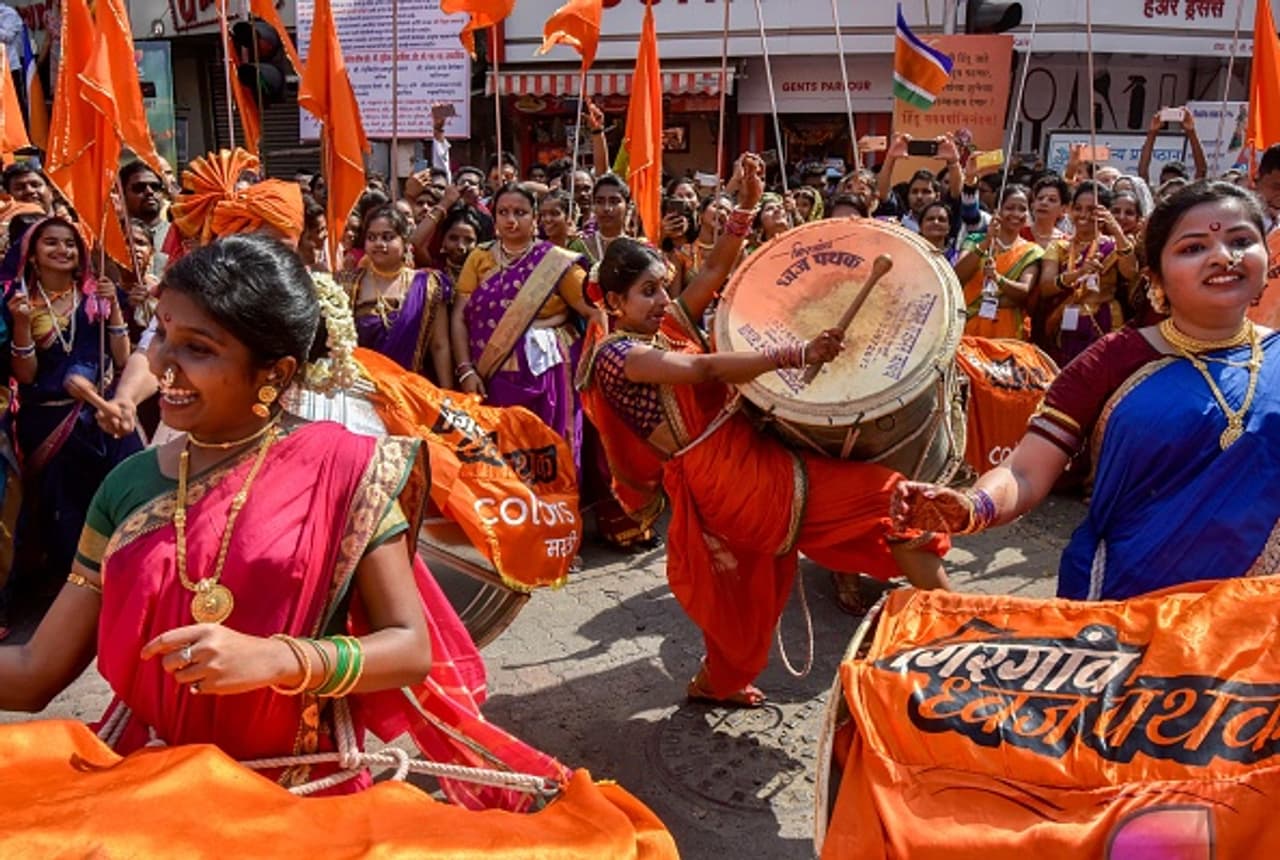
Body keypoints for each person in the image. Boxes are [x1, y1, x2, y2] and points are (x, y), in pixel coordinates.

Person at [0, 234, 574, 812]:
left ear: (274, 371)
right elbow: (34, 672)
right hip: (151, 790)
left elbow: (409, 648)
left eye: (197, 347)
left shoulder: (347, 468)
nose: (163, 365)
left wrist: (278, 659)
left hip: (301, 795)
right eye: (163, 334)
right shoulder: (129, 484)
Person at [577, 155, 950, 707]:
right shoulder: (618, 356)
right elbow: (702, 369)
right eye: (647, 293)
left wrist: (746, 205)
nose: (662, 301)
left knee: (755, 591)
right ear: (613, 302)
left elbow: (711, 273)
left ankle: (718, 682)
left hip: (741, 456)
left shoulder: (667, 324)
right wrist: (796, 352)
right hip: (727, 479)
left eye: (661, 287)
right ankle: (965, 631)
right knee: (893, 502)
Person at [892, 181, 1280, 601]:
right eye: (1193, 248)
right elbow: (1024, 470)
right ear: (1156, 278)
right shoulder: (1112, 361)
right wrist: (973, 506)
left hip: (1256, 616)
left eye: (1241, 241)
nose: (1223, 257)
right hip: (1129, 603)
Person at [2, 216, 138, 597]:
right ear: (32, 254)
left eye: (70, 244)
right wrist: (22, 326)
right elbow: (26, 376)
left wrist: (113, 310)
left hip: (101, 416)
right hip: (46, 420)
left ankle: (126, 579)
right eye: (51, 243)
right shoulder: (16, 302)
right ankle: (76, 593)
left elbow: (122, 356)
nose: (62, 250)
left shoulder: (95, 297)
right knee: (63, 509)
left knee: (119, 494)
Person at [450, 183, 597, 468]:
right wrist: (465, 369)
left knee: (549, 446)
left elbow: (595, 311)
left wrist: (590, 364)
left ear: (535, 219)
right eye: (503, 212)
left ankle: (557, 506)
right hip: (492, 370)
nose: (511, 220)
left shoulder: (555, 262)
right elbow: (459, 316)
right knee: (504, 448)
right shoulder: (480, 257)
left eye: (520, 212)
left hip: (550, 370)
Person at [1036, 181, 1139, 365]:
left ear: (1104, 212)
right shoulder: (1059, 246)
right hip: (1064, 320)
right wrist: (1078, 274)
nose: (1083, 215)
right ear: (1069, 210)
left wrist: (1115, 229)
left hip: (1103, 319)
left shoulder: (1113, 246)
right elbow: (1045, 288)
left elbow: (1131, 273)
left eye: (1092, 210)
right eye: (1078, 208)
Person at [349, 204, 453, 387]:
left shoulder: (428, 285)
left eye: (388, 237)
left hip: (409, 392)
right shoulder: (348, 283)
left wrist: (448, 393)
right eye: (371, 237)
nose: (379, 244)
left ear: (405, 241)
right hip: (360, 389)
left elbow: (439, 345)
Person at [954, 185, 1043, 339]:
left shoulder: (1031, 251)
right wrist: (987, 241)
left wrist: (997, 278)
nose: (1016, 214)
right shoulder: (975, 240)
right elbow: (958, 275)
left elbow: (1024, 292)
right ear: (997, 211)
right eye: (1010, 208)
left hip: (1008, 331)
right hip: (969, 325)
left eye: (1022, 209)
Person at [581, 173, 630, 263]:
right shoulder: (579, 248)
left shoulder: (638, 249)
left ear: (627, 206)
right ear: (593, 206)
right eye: (600, 202)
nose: (606, 208)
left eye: (614, 201)